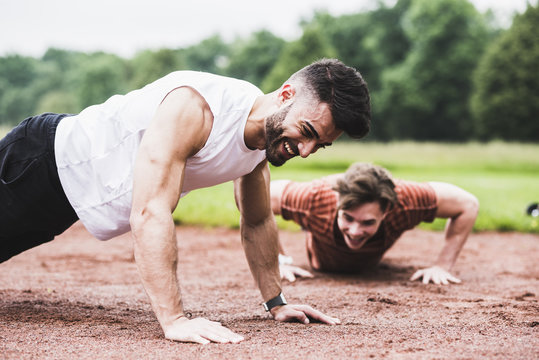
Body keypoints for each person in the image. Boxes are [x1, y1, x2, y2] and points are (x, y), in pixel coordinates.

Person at [0, 59, 371, 344]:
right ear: (286, 94)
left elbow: (257, 221)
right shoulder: (196, 108)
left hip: (66, 198)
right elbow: (150, 211)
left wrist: (276, 303)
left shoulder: (263, 142)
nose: (306, 151)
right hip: (39, 163)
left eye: (319, 145)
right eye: (307, 133)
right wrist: (175, 319)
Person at [270, 162, 479, 285]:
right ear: (337, 203)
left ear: (386, 211)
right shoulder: (314, 199)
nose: (355, 231)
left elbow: (468, 204)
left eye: (367, 222)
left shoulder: (407, 201)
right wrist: (278, 261)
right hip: (322, 253)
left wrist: (443, 266)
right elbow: (258, 199)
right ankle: (310, 227)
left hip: (373, 256)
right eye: (348, 218)